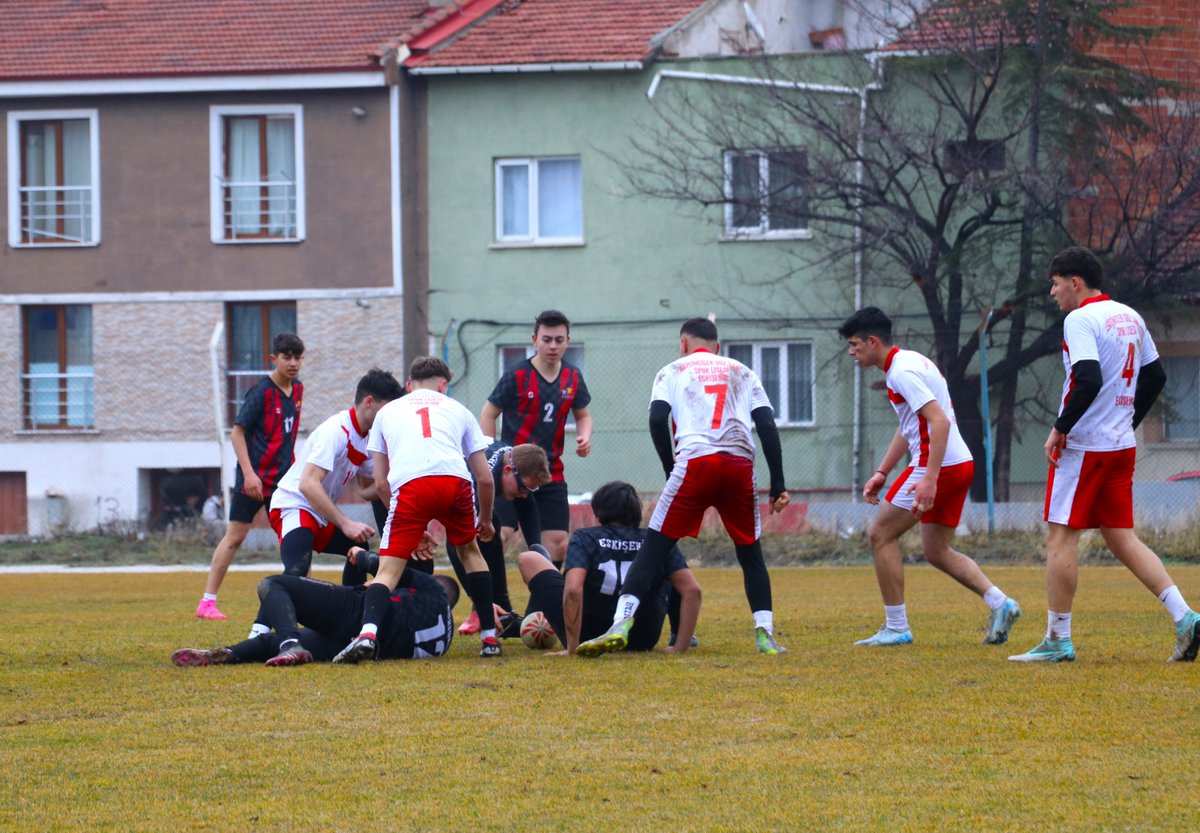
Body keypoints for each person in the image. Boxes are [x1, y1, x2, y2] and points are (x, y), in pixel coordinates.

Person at [1010, 246, 1200, 663]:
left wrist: (1060, 428)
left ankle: (1058, 640)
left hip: (1086, 447)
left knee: (1060, 536)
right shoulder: (1129, 315)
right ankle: (1185, 617)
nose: (1052, 293)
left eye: (1055, 284)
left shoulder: (1079, 318)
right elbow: (1156, 375)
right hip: (1119, 446)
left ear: (1074, 282)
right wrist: (1126, 421)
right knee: (1121, 537)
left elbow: (1088, 376)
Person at [578, 317, 789, 657]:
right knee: (750, 553)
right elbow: (766, 424)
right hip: (738, 464)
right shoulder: (743, 371)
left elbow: (657, 419)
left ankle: (621, 622)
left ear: (683, 344)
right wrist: (777, 482)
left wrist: (669, 466)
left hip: (695, 462)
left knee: (655, 547)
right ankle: (765, 633)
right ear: (717, 347)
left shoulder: (671, 371)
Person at [838, 307, 1021, 647]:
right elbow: (910, 426)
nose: (851, 352)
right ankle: (1001, 603)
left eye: (854, 344)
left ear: (872, 341)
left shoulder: (901, 372)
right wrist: (882, 472)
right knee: (936, 550)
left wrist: (930, 478)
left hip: (937, 467)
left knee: (880, 535)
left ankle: (896, 627)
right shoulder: (910, 362)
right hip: (958, 463)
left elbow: (939, 422)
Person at [333, 356, 503, 661]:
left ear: (409, 385)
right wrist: (486, 519)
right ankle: (489, 638)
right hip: (455, 481)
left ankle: (368, 634)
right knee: (470, 553)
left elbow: (381, 483)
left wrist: (413, 527)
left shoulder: (387, 413)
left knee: (388, 570)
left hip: (411, 486)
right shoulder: (460, 410)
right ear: (444, 385)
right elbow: (485, 478)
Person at [520, 481, 701, 655]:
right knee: (673, 573)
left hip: (587, 634)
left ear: (598, 513)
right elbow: (692, 590)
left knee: (529, 558)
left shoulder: (585, 538)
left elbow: (574, 590)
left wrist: (572, 646)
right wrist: (680, 647)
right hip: (641, 636)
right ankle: (678, 636)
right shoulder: (654, 541)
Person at [196, 332, 305, 621]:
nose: (293, 363)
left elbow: (286, 436)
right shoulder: (261, 392)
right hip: (253, 480)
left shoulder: (298, 390)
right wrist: (249, 475)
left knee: (294, 538)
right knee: (235, 537)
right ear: (274, 359)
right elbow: (237, 433)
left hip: (282, 481)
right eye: (287, 357)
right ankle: (207, 603)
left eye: (298, 357)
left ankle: (301, 600)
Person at [265, 368, 403, 582]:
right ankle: (264, 618)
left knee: (359, 549)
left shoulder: (366, 437)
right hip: (294, 505)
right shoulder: (336, 430)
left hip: (318, 513)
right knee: (296, 571)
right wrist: (346, 523)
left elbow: (379, 484)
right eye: (387, 409)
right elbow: (308, 484)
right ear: (368, 402)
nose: (390, 417)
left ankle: (352, 608)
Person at [480, 310, 593, 567]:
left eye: (559, 339)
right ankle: (489, 603)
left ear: (567, 340)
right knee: (499, 534)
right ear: (535, 340)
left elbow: (584, 415)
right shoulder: (517, 375)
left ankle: (543, 604)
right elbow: (488, 414)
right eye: (547, 339)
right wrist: (491, 456)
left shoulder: (573, 377)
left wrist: (585, 437)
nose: (553, 346)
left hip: (550, 472)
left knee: (558, 543)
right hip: (513, 470)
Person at [172, 566, 459, 667]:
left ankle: (289, 645)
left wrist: (361, 555)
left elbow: (385, 571)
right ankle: (226, 655)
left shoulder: (433, 588)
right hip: (366, 649)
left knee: (275, 584)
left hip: (358, 616)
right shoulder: (445, 640)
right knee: (271, 643)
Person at [449, 443, 553, 636]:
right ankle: (487, 610)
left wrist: (536, 547)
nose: (523, 494)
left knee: (491, 526)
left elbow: (527, 507)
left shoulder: (516, 461)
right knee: (468, 537)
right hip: (428, 488)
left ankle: (503, 613)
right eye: (523, 488)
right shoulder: (482, 478)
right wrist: (482, 600)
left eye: (530, 490)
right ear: (507, 471)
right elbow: (453, 544)